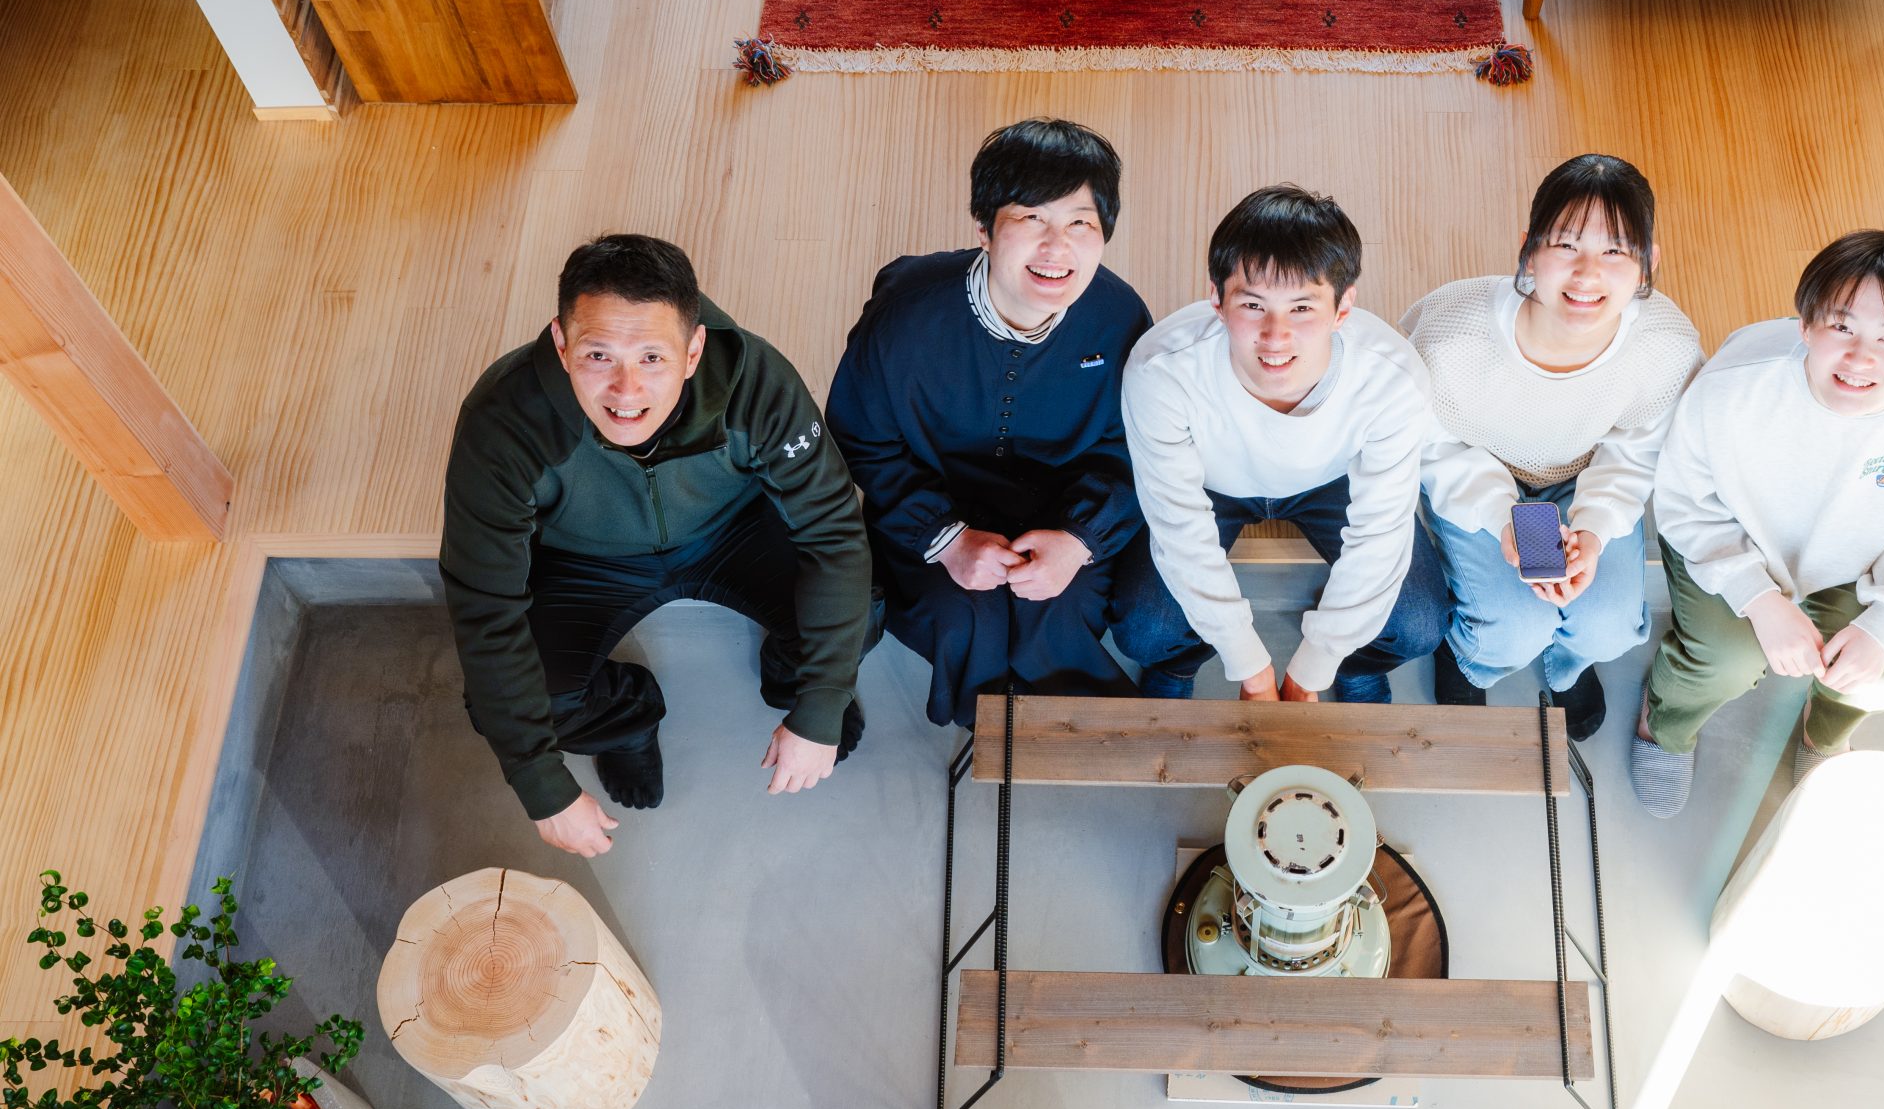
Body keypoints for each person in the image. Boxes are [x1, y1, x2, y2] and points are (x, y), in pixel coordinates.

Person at [441, 235, 872, 858]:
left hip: (734, 529)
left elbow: (833, 533)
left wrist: (822, 704)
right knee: (508, 707)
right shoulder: (503, 422)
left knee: (862, 611)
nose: (626, 391)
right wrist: (540, 785)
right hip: (586, 559)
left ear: (693, 351)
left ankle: (792, 678)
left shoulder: (755, 382)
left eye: (652, 357)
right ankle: (627, 723)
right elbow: (485, 606)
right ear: (561, 344)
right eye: (598, 355)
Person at [1629, 231, 1884, 818]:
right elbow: (1686, 502)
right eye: (1841, 327)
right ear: (1805, 325)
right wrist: (1759, 599)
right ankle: (1664, 724)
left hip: (1858, 564)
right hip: (1730, 543)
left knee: (1881, 667)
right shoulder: (1731, 387)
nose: (1860, 358)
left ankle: (1823, 735)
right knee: (1723, 660)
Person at [825, 119, 1152, 725]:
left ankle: (1061, 735)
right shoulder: (904, 319)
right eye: (1031, 218)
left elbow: (1136, 447)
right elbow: (862, 441)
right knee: (963, 616)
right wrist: (946, 537)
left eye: (1080, 224)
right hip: (933, 504)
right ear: (984, 227)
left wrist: (1078, 539)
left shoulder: (1121, 318)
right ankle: (997, 725)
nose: (1057, 249)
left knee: (1058, 609)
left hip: (1063, 511)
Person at [1403, 155, 1701, 740]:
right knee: (1512, 628)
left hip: (1588, 473)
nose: (1588, 274)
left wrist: (1594, 528)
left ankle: (1569, 665)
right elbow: (1434, 447)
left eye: (1615, 251)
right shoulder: (1450, 336)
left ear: (1648, 261)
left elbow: (1636, 452)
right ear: (1529, 249)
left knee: (1608, 626)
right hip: (1478, 470)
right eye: (1566, 245)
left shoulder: (1666, 347)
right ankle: (1469, 655)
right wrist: (1504, 517)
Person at [1112, 186, 1447, 703]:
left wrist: (1314, 668)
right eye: (1253, 304)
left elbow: (1381, 535)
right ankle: (1178, 664)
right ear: (1217, 300)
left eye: (1302, 307)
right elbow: (1178, 527)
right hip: (1210, 482)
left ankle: (1357, 664)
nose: (1275, 336)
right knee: (1145, 630)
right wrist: (1251, 669)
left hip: (1333, 478)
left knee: (1418, 623)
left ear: (1343, 308)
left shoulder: (1393, 377)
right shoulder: (1161, 370)